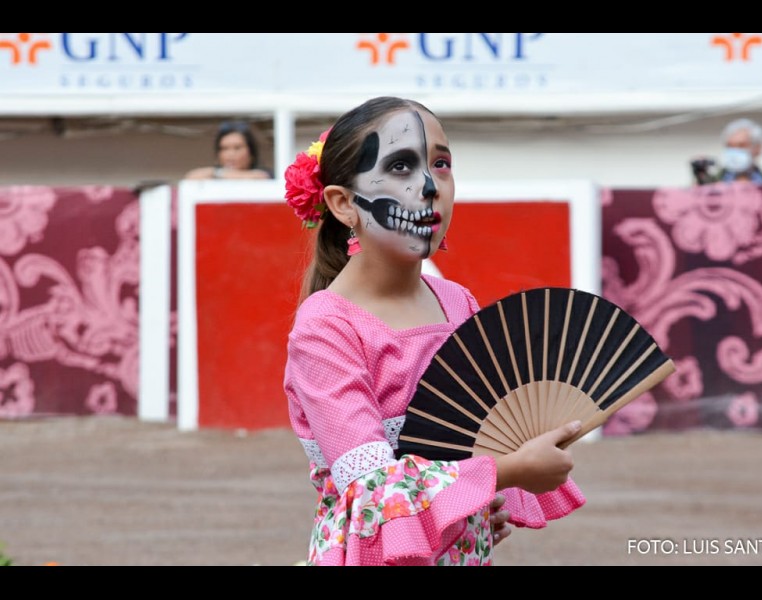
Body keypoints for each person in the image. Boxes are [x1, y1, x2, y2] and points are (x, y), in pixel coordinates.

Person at [283, 96, 585, 567]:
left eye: (441, 164)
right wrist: (506, 471)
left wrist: (475, 503)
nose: (429, 186)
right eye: (400, 166)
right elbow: (372, 489)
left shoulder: (457, 302)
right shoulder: (326, 327)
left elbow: (479, 439)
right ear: (343, 204)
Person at [691, 118, 762, 186]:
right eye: (730, 146)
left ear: (758, 148)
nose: (734, 151)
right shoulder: (710, 183)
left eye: (741, 146)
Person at [184, 120, 273, 180]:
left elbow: (259, 177)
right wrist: (218, 173)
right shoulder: (216, 175)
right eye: (224, 148)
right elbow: (191, 177)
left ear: (251, 153)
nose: (231, 154)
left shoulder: (265, 175)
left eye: (237, 148)